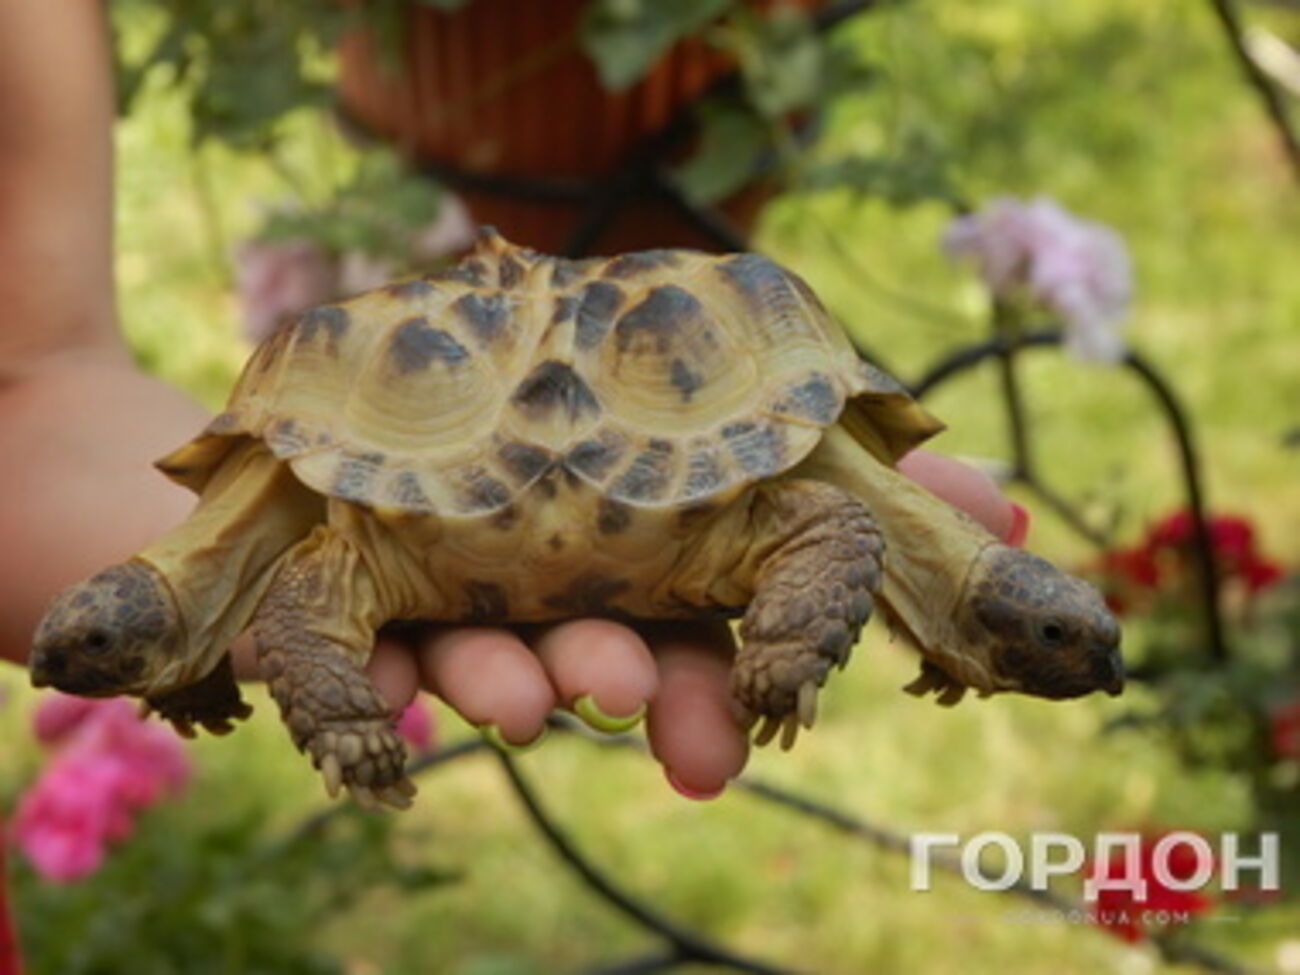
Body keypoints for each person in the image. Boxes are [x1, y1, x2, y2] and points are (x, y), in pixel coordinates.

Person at [0, 1, 1026, 801]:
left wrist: (792, 640)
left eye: (98, 643)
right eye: (96, 647)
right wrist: (329, 708)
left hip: (661, 446)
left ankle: (998, 624)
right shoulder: (323, 570)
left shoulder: (315, 554)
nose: (64, 664)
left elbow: (34, 369)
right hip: (499, 493)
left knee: (884, 544)